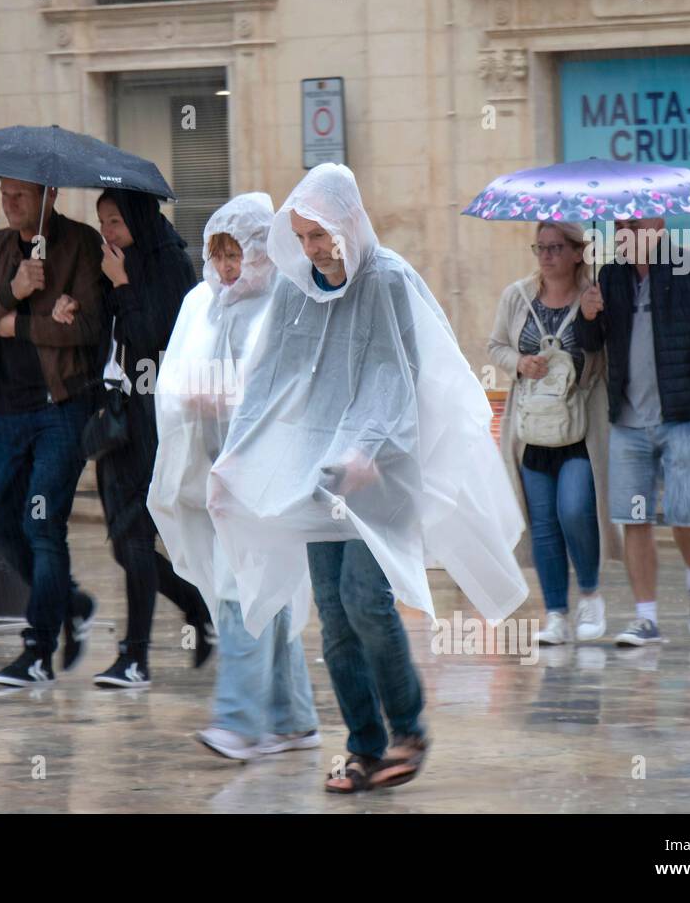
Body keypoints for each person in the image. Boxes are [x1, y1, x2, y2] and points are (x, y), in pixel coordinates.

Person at [206, 164, 528, 793]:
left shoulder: (386, 279)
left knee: (365, 598)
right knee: (331, 609)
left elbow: (395, 376)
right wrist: (234, 460)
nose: (313, 250)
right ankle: (362, 745)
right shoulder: (299, 289)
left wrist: (366, 451)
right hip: (321, 474)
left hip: (383, 468)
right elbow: (269, 380)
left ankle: (408, 730)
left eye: (320, 234)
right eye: (300, 238)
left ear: (348, 221)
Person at [148, 192, 320, 760]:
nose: (226, 266)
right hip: (215, 474)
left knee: (239, 587)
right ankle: (293, 718)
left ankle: (240, 721)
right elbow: (173, 374)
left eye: (236, 254)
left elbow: (287, 389)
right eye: (218, 254)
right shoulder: (202, 303)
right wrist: (192, 401)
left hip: (266, 477)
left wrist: (225, 397)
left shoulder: (283, 304)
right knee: (262, 591)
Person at [0, 178, 105, 687]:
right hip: (9, 409)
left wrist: (22, 324)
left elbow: (88, 328)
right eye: (4, 194)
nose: (9, 203)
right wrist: (11, 292)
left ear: (50, 196)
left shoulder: (80, 244)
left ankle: (37, 652)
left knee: (42, 525)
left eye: (21, 194)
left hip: (62, 406)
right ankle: (72, 603)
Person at [577, 217, 690, 646]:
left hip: (683, 417)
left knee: (685, 510)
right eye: (618, 225)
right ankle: (645, 618)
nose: (622, 232)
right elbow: (590, 344)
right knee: (635, 518)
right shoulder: (610, 277)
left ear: (658, 225)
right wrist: (587, 315)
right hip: (628, 422)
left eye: (632, 224)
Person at [83, 188, 213, 688]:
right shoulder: (113, 266)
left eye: (115, 221)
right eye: (102, 223)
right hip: (116, 418)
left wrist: (121, 284)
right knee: (122, 542)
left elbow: (153, 339)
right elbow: (111, 338)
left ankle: (134, 658)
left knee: (136, 536)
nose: (108, 233)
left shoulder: (171, 267)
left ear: (138, 217)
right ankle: (196, 605)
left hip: (155, 418)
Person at [488, 222, 622, 645]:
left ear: (577, 252)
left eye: (555, 247)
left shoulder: (594, 295)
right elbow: (495, 346)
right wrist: (519, 363)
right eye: (540, 247)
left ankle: (589, 594)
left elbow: (607, 352)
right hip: (532, 428)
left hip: (581, 425)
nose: (545, 256)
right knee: (542, 523)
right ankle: (556, 613)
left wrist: (592, 318)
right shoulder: (517, 295)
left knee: (574, 509)